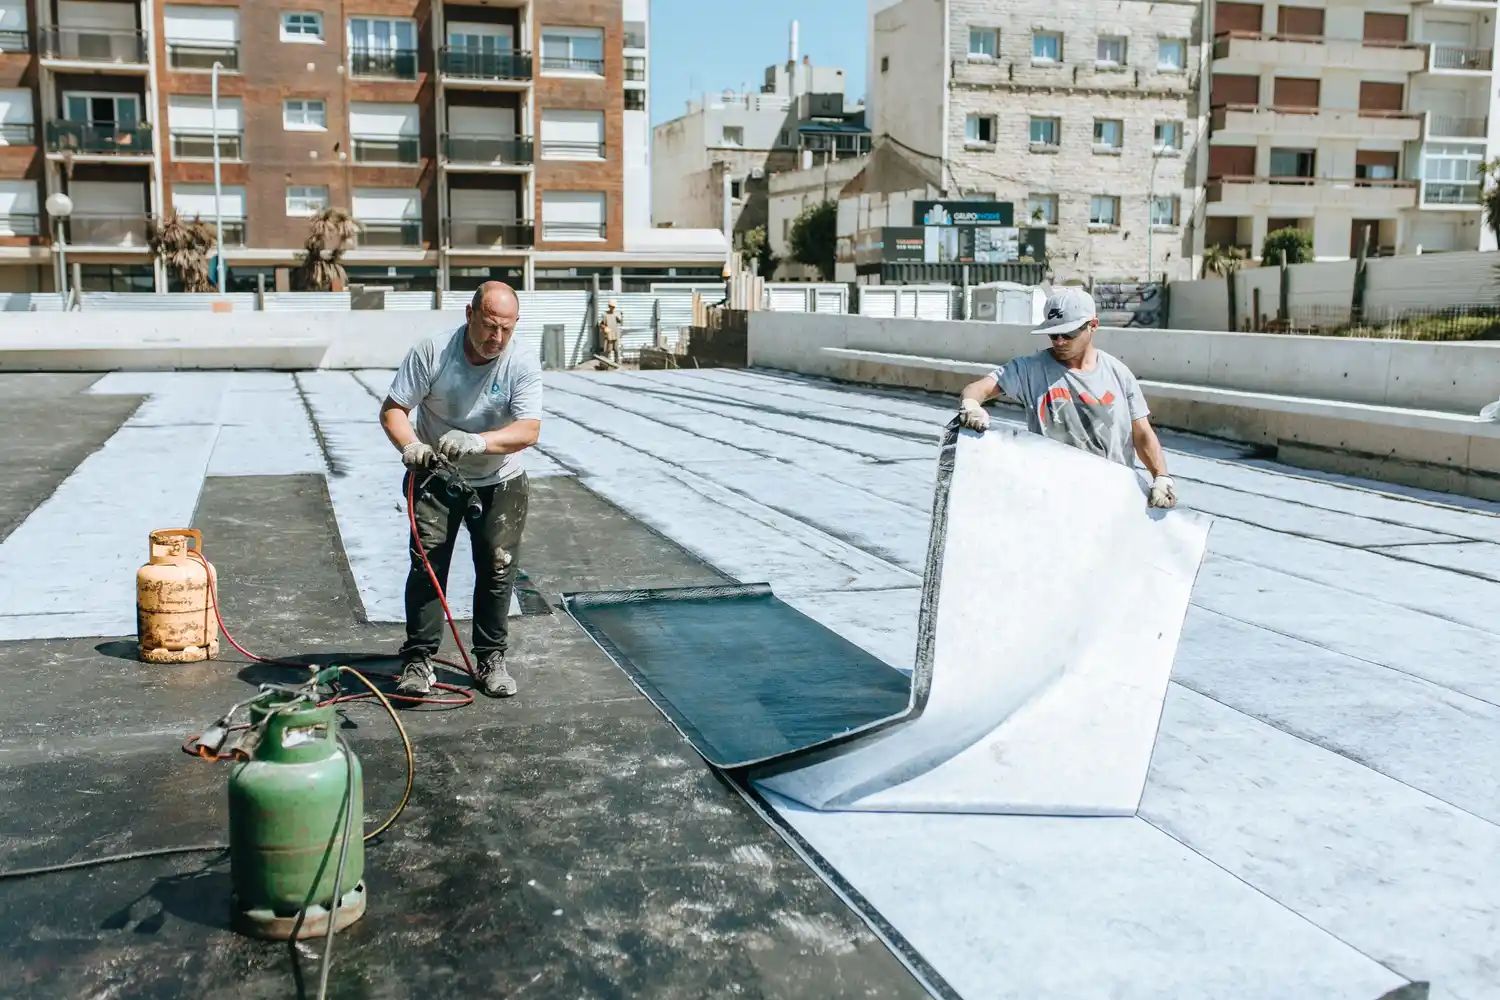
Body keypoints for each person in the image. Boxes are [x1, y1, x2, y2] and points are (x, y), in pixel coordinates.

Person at [379, 281, 543, 697]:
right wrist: (412, 445)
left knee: (497, 568)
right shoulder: (433, 353)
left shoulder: (520, 360)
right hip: (437, 478)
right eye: (489, 326)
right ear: (469, 316)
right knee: (428, 568)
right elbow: (394, 409)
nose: (497, 338)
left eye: (506, 329)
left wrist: (480, 441)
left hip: (499, 479)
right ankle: (418, 660)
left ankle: (490, 657)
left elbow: (529, 429)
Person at [955, 286, 1178, 509]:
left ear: (1093, 326)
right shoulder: (1029, 370)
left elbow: (1142, 434)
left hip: (1110, 498)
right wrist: (971, 405)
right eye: (1053, 334)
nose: (1060, 341)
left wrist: (1161, 477)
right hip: (1055, 499)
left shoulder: (1119, 375)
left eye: (1069, 334)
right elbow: (977, 389)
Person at [598, 299, 623, 363]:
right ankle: (608, 362)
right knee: (609, 350)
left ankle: (617, 362)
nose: (612, 308)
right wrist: (605, 327)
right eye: (611, 306)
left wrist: (621, 316)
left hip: (615, 334)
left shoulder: (616, 314)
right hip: (609, 335)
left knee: (616, 349)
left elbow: (620, 322)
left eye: (613, 307)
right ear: (609, 306)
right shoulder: (605, 314)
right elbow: (601, 324)